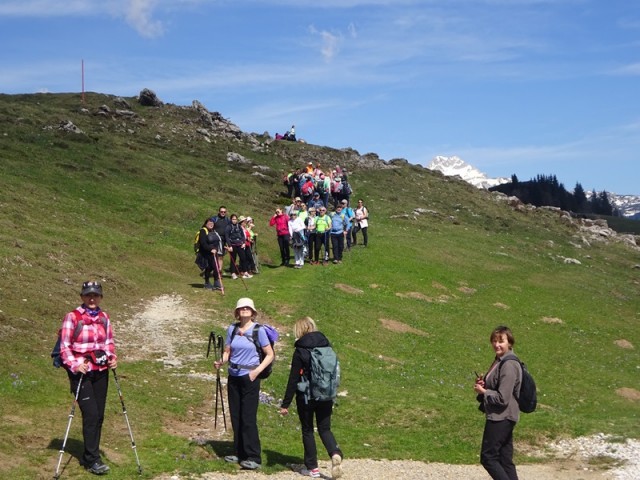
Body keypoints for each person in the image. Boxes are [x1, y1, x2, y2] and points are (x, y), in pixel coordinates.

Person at [59, 281, 117, 475]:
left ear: (100, 297)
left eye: (95, 295)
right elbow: (64, 347)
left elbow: (108, 342)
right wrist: (76, 364)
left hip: (100, 371)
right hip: (81, 373)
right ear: (82, 296)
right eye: (88, 295)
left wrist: (112, 359)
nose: (92, 298)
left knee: (99, 415)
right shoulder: (72, 317)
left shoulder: (104, 317)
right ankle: (93, 459)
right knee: (91, 414)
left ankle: (88, 455)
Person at [279, 317, 343, 479]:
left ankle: (312, 468)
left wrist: (285, 403)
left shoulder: (300, 350)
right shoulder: (325, 345)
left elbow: (293, 379)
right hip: (326, 393)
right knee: (325, 428)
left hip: (306, 395)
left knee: (307, 429)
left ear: (299, 330)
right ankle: (335, 452)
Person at [214, 298, 274, 471]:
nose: (245, 310)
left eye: (248, 308)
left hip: (250, 377)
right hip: (233, 375)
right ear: (237, 312)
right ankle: (239, 452)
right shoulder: (232, 329)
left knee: (248, 418)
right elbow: (228, 351)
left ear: (253, 312)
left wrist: (256, 371)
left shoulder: (259, 330)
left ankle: (253, 456)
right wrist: (221, 362)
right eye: (242, 308)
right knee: (236, 415)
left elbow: (269, 354)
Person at [474, 326, 523, 480]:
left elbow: (503, 398)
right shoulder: (500, 361)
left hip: (501, 416)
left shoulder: (508, 364)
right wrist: (484, 384)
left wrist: (484, 392)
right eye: (494, 341)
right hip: (506, 416)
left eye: (501, 341)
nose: (497, 345)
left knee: (488, 457)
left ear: (510, 343)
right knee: (505, 460)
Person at [198, 218, 223, 290]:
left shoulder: (213, 231)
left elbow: (217, 241)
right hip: (206, 252)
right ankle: (207, 282)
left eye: (212, 223)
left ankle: (216, 282)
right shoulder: (203, 231)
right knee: (209, 267)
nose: (211, 224)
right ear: (206, 224)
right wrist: (210, 249)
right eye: (209, 223)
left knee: (216, 267)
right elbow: (203, 243)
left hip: (214, 252)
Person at [225, 214, 252, 280]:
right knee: (233, 260)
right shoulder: (228, 227)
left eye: (235, 219)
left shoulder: (239, 226)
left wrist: (243, 243)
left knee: (243, 258)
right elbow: (227, 237)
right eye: (233, 219)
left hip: (240, 244)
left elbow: (243, 235)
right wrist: (229, 245)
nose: (234, 220)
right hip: (233, 245)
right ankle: (233, 273)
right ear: (231, 219)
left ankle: (245, 272)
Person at [211, 206, 231, 275]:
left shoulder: (227, 220)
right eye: (221, 212)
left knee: (220, 256)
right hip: (215, 240)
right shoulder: (214, 219)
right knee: (213, 255)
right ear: (219, 212)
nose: (223, 213)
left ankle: (219, 272)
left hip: (223, 241)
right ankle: (212, 270)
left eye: (224, 212)